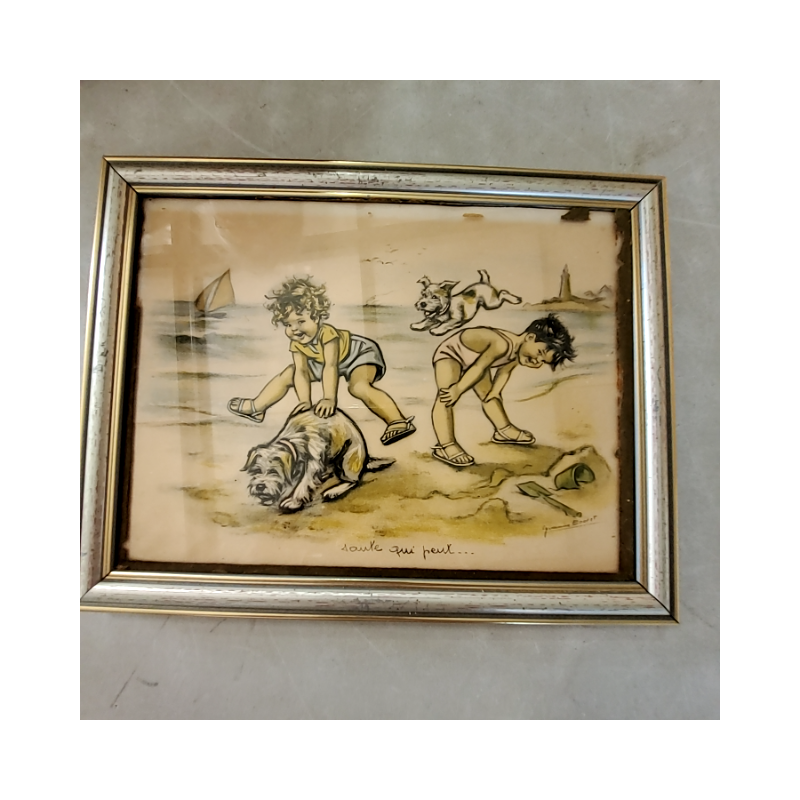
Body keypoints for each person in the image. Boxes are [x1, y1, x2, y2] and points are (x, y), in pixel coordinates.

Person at [228, 277, 416, 445]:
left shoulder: (327, 334)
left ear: (316, 317)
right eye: (288, 324)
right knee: (288, 374)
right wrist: (305, 401)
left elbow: (330, 366)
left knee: (358, 387)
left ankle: (397, 421)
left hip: (358, 354)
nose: (294, 329)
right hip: (326, 361)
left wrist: (329, 399)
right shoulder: (297, 342)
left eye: (301, 321)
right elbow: (301, 371)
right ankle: (257, 407)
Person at [430, 314, 575, 467]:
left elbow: (504, 371)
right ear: (530, 337)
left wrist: (494, 392)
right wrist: (458, 389)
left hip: (476, 360)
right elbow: (479, 367)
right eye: (540, 353)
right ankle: (446, 445)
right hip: (452, 353)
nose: (537, 361)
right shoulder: (502, 345)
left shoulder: (519, 352)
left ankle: (504, 430)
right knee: (446, 397)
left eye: (543, 361)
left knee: (489, 396)